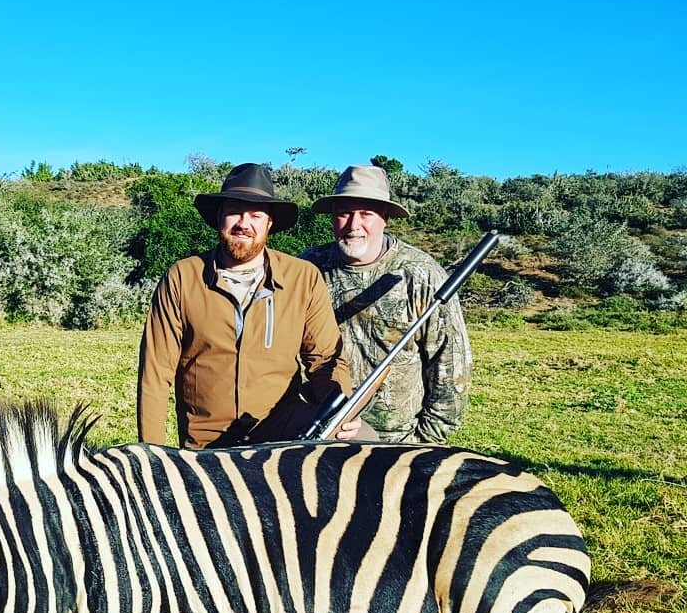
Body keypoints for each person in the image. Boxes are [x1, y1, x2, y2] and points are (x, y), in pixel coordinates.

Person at [137, 163, 354, 449]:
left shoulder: (303, 278)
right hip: (206, 446)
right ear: (219, 218)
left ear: (269, 224)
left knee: (368, 446)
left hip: (283, 439)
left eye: (256, 214)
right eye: (234, 211)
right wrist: (152, 456)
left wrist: (340, 408)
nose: (244, 223)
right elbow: (156, 374)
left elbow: (325, 359)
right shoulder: (183, 277)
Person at [300, 165, 472, 444]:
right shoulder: (308, 268)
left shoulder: (422, 273)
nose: (354, 225)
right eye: (344, 212)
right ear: (332, 218)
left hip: (398, 440)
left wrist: (424, 442)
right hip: (322, 430)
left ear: (385, 218)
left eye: (366, 213)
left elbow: (450, 365)